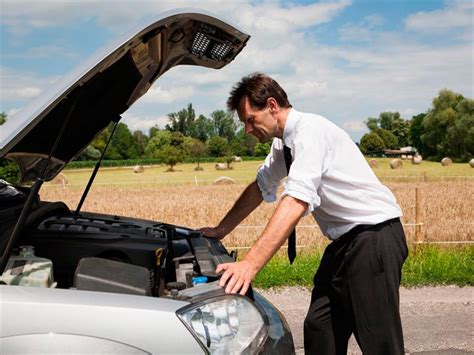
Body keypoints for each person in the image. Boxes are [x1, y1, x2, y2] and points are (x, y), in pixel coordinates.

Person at [200, 73, 408, 354]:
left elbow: (296, 200)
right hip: (345, 244)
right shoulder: (282, 143)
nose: (247, 129)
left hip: (374, 238)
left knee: (379, 341)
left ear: (272, 105)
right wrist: (221, 229)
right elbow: (260, 187)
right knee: (320, 329)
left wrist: (249, 265)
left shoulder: (310, 132)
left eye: (250, 119)